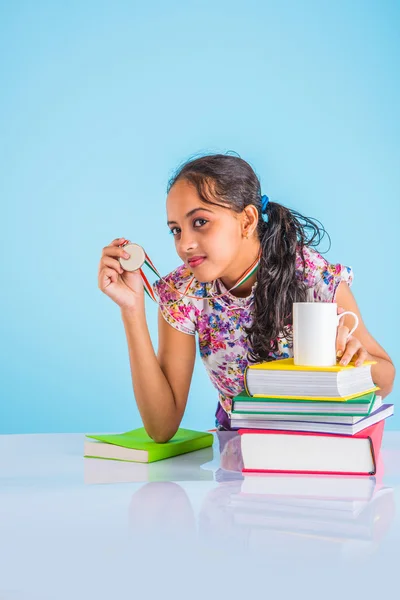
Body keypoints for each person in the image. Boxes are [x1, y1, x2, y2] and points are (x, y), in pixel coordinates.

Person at [98, 153, 395, 441]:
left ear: (247, 220)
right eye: (176, 230)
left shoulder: (310, 276)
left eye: (200, 222)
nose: (185, 244)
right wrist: (132, 309)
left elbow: (386, 379)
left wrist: (357, 361)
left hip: (319, 442)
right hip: (240, 452)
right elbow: (161, 428)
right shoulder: (183, 293)